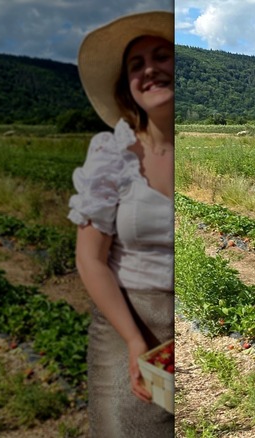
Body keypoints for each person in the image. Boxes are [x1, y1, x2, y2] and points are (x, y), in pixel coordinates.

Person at [68, 10, 175, 437]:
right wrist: (134, 340)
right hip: (128, 319)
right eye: (137, 65)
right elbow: (90, 259)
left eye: (162, 56)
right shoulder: (113, 156)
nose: (150, 69)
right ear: (128, 88)